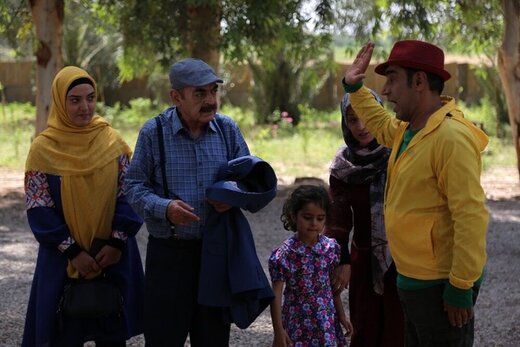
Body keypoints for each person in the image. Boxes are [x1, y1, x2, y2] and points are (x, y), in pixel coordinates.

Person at [341, 40, 489, 346]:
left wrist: (461, 285)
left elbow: (470, 216)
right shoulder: (410, 130)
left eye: (393, 79)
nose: (385, 91)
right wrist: (354, 89)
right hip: (410, 280)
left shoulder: (451, 138)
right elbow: (381, 125)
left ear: (419, 81)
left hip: (439, 284)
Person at [124, 58, 251, 346]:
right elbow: (132, 186)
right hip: (169, 257)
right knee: (164, 339)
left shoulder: (228, 130)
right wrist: (165, 208)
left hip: (215, 254)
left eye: (213, 92)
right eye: (199, 94)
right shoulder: (153, 133)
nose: (210, 101)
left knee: (213, 339)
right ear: (176, 97)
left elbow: (248, 179)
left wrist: (232, 195)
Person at [22, 66, 145, 346]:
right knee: (64, 331)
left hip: (112, 256)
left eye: (90, 98)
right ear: (60, 103)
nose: (85, 107)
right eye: (75, 100)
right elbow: (39, 205)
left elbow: (131, 192)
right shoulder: (43, 149)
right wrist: (73, 251)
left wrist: (116, 243)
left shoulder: (112, 142)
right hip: (63, 259)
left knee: (111, 331)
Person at [325, 90, 405, 346]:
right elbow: (338, 220)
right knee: (365, 328)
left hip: (404, 257)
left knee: (398, 328)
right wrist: (342, 261)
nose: (361, 126)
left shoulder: (400, 155)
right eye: (352, 119)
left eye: (367, 117)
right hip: (362, 258)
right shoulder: (342, 167)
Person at [268, 184, 353, 346]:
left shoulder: (331, 249)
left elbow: (332, 288)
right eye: (307, 217)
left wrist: (341, 315)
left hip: (325, 323)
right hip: (296, 324)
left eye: (320, 218)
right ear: (294, 216)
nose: (314, 223)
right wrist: (279, 331)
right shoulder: (285, 255)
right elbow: (276, 296)